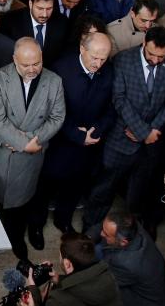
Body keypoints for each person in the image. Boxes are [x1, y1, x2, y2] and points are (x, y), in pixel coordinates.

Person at [83, 26, 165, 232]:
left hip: (152, 143)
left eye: (161, 56)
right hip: (121, 139)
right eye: (152, 54)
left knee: (141, 188)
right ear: (144, 43)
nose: (155, 60)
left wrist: (150, 132)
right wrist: (142, 131)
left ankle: (132, 229)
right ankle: (91, 226)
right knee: (105, 186)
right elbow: (118, 99)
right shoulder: (123, 60)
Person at [0, 36, 66, 261]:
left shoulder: (54, 81)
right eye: (26, 64)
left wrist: (30, 142)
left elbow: (57, 117)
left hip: (32, 153)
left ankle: (15, 238)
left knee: (20, 203)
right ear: (14, 60)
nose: (32, 69)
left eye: (36, 63)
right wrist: (22, 143)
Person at [30, 32, 114, 246]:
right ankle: (36, 224)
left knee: (76, 184)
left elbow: (111, 109)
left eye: (103, 58)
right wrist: (77, 135)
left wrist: (96, 131)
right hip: (59, 142)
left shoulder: (108, 71)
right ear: (82, 49)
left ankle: (63, 220)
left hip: (90, 144)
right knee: (45, 185)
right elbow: (50, 111)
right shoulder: (60, 70)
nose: (98, 63)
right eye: (94, 57)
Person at [47, 231, 126, 306]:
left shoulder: (58, 299)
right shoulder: (109, 276)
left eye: (60, 256)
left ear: (67, 264)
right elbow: (85, 283)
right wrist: (61, 280)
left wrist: (33, 293)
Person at [96, 209, 165, 306]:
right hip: (158, 287)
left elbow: (106, 283)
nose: (101, 233)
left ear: (123, 242)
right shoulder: (132, 226)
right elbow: (106, 227)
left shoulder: (125, 263)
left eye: (106, 234)